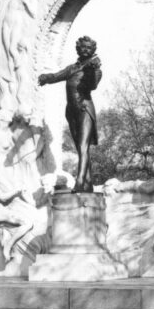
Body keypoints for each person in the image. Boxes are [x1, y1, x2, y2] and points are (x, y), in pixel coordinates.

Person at [38, 36, 102, 192]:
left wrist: (92, 70)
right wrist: (46, 78)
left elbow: (93, 86)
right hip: (71, 112)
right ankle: (88, 182)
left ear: (93, 51)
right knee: (80, 149)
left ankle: (80, 182)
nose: (85, 50)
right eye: (83, 47)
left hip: (85, 109)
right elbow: (56, 76)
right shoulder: (72, 68)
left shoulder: (95, 69)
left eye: (89, 48)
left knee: (83, 146)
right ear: (78, 49)